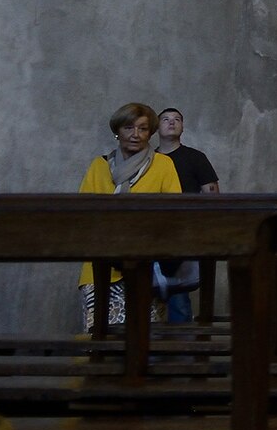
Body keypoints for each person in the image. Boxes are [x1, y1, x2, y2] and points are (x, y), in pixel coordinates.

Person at [76, 102, 181, 328]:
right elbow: (84, 213)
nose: (135, 135)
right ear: (117, 132)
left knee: (145, 340)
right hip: (101, 265)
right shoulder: (99, 166)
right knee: (98, 338)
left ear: (150, 133)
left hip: (146, 266)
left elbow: (174, 212)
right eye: (128, 128)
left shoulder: (163, 165)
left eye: (143, 129)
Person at [153, 107, 219, 323]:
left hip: (184, 231)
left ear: (183, 126)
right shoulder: (148, 160)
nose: (171, 122)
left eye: (177, 119)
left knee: (178, 295)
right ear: (157, 126)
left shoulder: (195, 158)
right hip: (153, 232)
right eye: (166, 119)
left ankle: (182, 349)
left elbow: (212, 194)